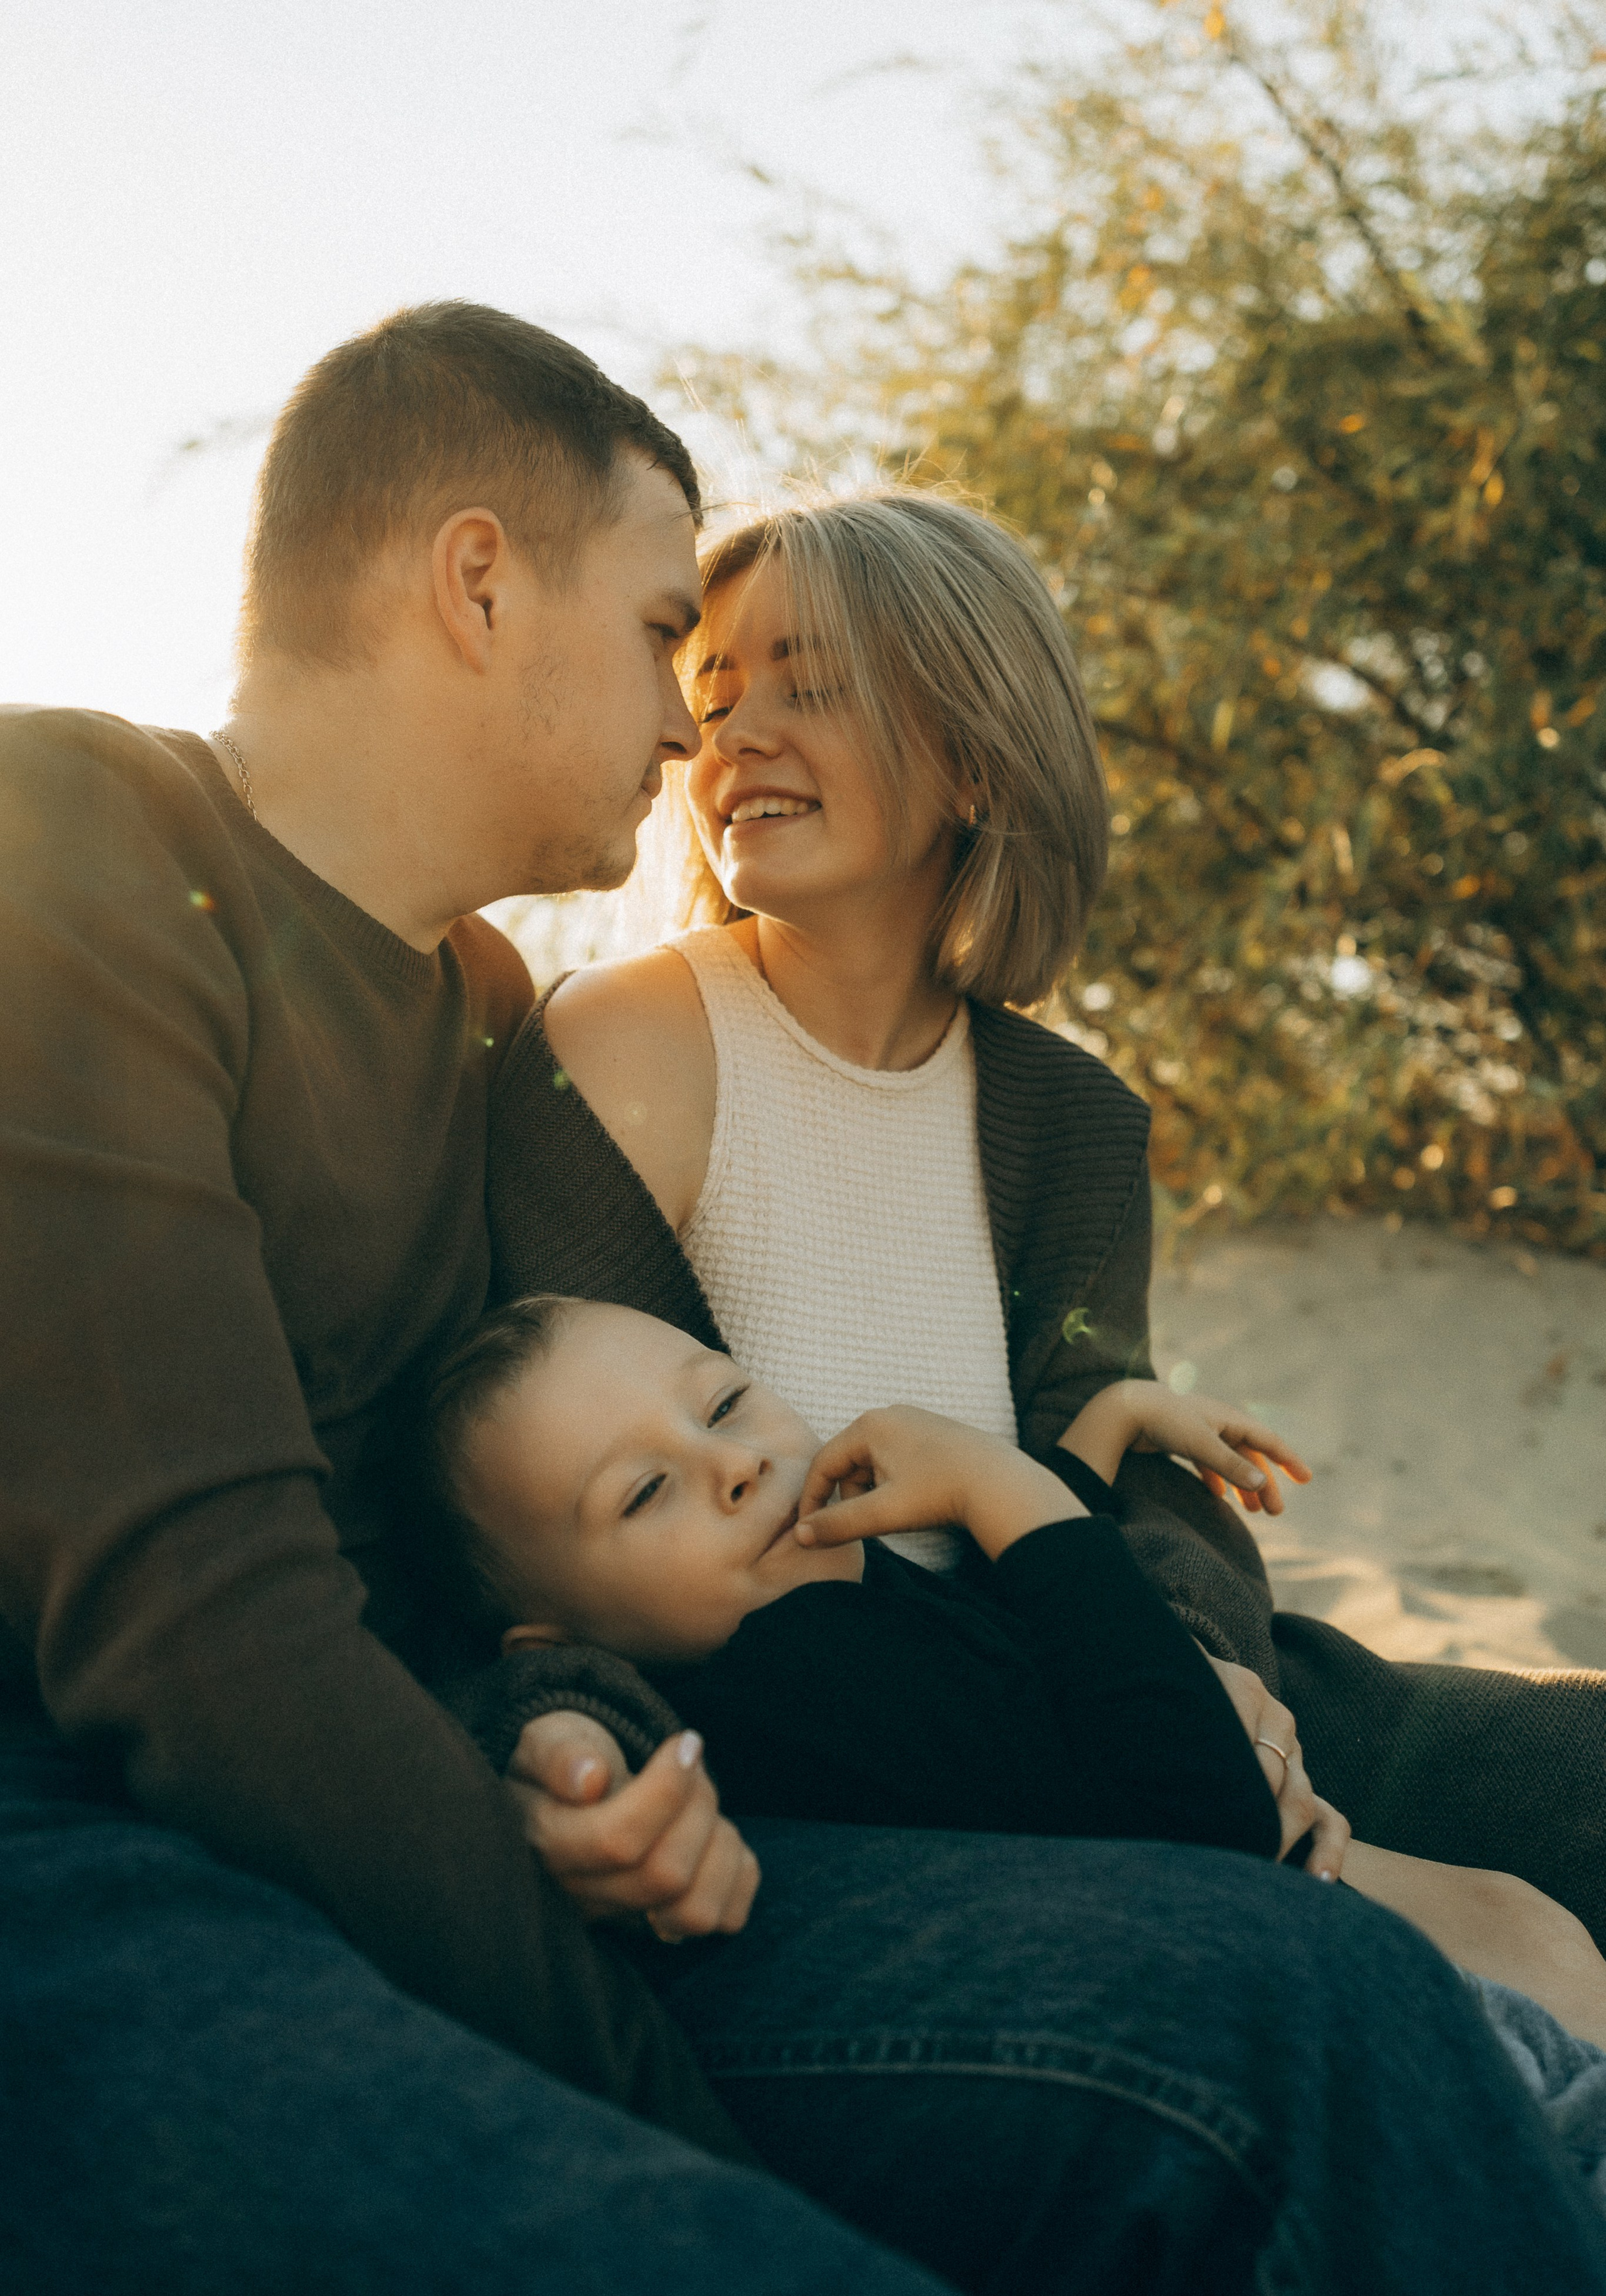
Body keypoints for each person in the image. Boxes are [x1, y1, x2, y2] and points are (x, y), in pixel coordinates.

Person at [7, 302, 1606, 2296]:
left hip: (640, 1766)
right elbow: (238, 1621)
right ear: (480, 581)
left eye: (775, 674)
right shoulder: (78, 849)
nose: (697, 727)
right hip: (200, 1833)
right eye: (674, 630)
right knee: (1204, 2088)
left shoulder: (477, 1000)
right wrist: (672, 2098)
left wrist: (558, 1743)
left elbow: (467, 1539)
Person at [492, 486, 1606, 1948]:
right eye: (710, 689)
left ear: (970, 755)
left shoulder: (1070, 1118)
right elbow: (561, 1525)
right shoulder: (627, 1047)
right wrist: (575, 1741)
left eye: (808, 684)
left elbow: (1123, 1496)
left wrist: (1205, 1669)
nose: (727, 735)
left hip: (1121, 1665)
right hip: (922, 1752)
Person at [428, 1291, 1606, 2047]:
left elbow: (1018, 1644)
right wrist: (1006, 1490)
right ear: (565, 1646)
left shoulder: (845, 1606)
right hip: (1458, 2045)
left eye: (725, 1401)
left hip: (1484, 1990)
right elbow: (1202, 1816)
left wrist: (1104, 1429)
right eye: (642, 1494)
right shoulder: (789, 1679)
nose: (731, 1465)